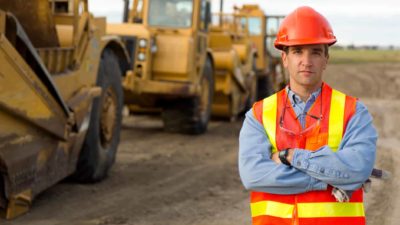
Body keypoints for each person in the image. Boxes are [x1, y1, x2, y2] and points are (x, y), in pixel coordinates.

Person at [238, 6, 377, 225]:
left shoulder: (354, 112)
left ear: (326, 59)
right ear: (284, 58)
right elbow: (253, 175)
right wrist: (329, 179)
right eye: (297, 51)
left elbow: (357, 169)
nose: (306, 60)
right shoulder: (258, 115)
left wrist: (290, 157)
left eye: (315, 52)